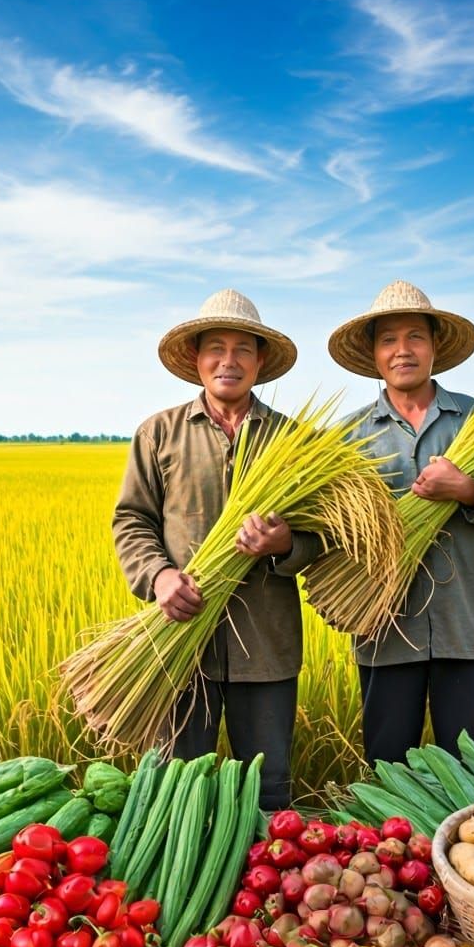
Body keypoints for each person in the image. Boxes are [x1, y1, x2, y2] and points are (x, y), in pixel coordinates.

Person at [112, 288, 320, 809]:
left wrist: (286, 543)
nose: (229, 361)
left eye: (243, 350)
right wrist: (159, 577)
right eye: (216, 349)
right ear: (196, 359)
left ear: (261, 360)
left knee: (268, 791)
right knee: (176, 793)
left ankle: (263, 887)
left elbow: (326, 536)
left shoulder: (294, 442)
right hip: (179, 642)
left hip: (266, 646)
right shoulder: (158, 433)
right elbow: (132, 520)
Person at [327, 279, 474, 766]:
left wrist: (467, 490)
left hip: (469, 623)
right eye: (388, 339)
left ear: (435, 347)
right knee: (389, 773)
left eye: (415, 336)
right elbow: (329, 528)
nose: (403, 350)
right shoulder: (347, 438)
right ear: (374, 354)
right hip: (385, 627)